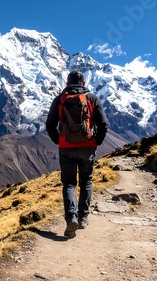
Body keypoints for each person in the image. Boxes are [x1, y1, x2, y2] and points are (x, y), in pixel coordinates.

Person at [45, 70, 109, 238]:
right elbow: (103, 124)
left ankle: (71, 217)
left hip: (66, 148)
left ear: (67, 83)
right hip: (88, 147)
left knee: (69, 184)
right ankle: (83, 218)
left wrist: (59, 141)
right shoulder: (93, 99)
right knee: (86, 181)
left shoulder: (60, 99)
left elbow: (50, 125)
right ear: (83, 84)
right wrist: (97, 142)